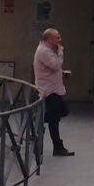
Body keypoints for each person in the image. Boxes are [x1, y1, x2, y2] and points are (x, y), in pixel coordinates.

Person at [33, 27, 72, 156]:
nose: (60, 40)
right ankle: (57, 146)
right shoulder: (44, 51)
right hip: (49, 90)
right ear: (49, 39)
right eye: (57, 37)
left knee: (62, 112)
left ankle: (38, 119)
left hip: (54, 88)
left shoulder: (48, 50)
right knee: (54, 118)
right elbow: (55, 65)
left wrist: (62, 72)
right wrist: (60, 52)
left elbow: (53, 67)